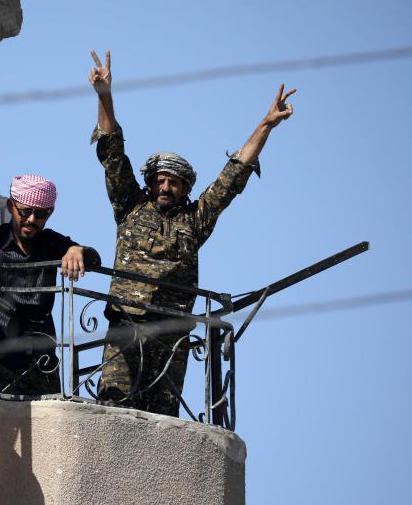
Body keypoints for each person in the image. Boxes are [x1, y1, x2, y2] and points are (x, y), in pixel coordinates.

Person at [88, 49, 296, 416]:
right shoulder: (131, 207)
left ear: (185, 189)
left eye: (174, 183)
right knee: (113, 408)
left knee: (161, 420)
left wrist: (266, 125)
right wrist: (105, 95)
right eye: (160, 181)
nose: (166, 187)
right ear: (150, 184)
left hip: (171, 335)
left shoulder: (195, 220)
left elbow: (232, 177)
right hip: (127, 325)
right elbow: (112, 153)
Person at [0, 174, 100, 395]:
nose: (32, 220)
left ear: (50, 212)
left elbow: (94, 259)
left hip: (41, 365)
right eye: (25, 211)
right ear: (10, 206)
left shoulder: (51, 242)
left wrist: (77, 249)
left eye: (41, 214)